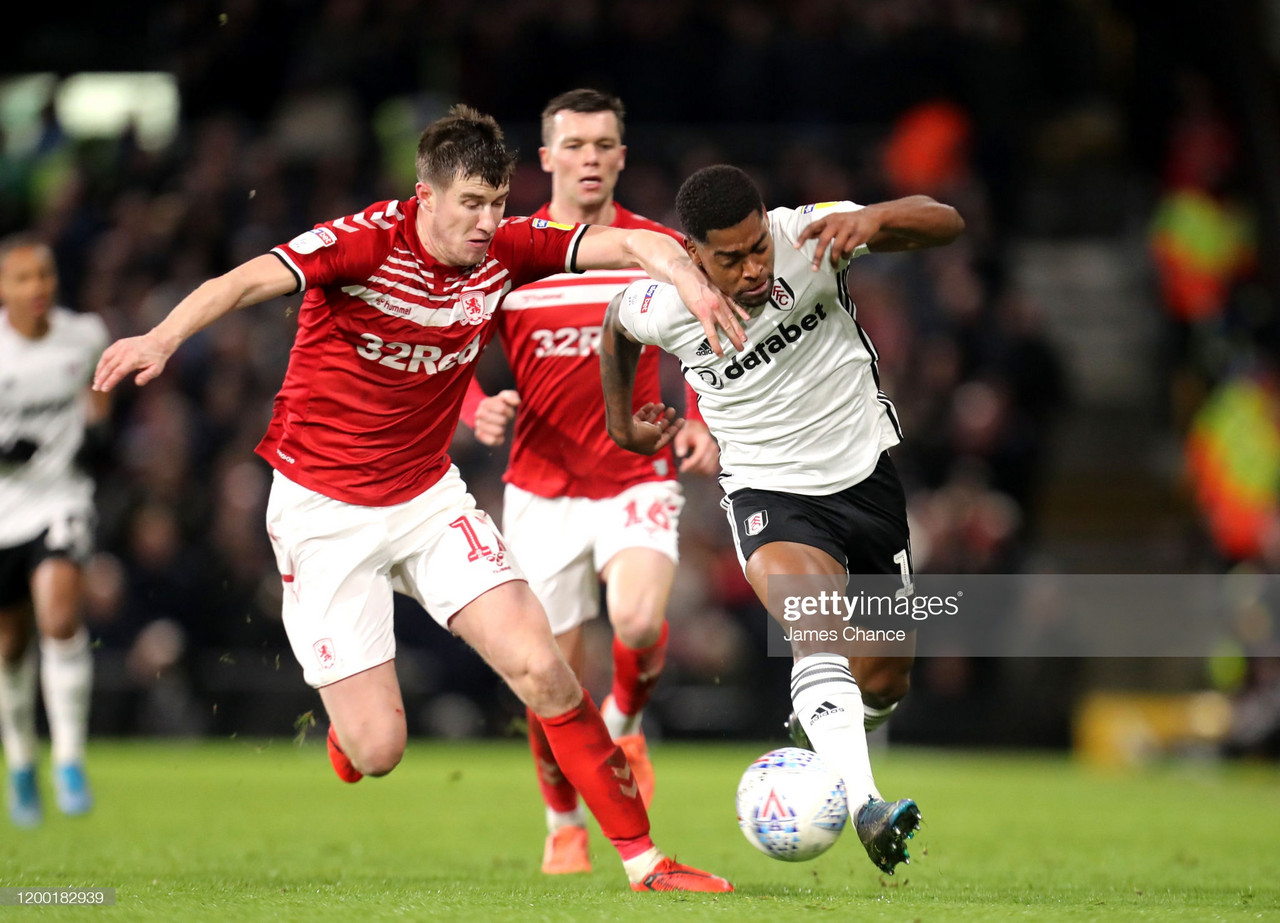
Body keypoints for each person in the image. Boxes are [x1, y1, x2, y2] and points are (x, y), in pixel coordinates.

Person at [93, 106, 742, 893]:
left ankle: (644, 859)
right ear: (424, 196)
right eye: (470, 203)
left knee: (543, 667)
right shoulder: (358, 243)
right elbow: (244, 280)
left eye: (499, 203)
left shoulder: (507, 248)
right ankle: (347, 724)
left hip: (428, 498)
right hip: (322, 511)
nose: (487, 221)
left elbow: (630, 241)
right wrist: (161, 336)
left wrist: (687, 278)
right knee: (379, 750)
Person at [600, 164, 964, 875]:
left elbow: (945, 218)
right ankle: (867, 803)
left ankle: (823, 723)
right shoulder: (668, 302)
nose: (752, 266)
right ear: (693, 253)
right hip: (771, 496)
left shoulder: (807, 233)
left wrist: (875, 219)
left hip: (867, 483)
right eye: (728, 258)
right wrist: (622, 424)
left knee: (886, 676)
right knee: (817, 625)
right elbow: (616, 324)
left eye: (755, 246)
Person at [459, 89, 720, 875]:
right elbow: (449, 339)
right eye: (574, 145)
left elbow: (700, 339)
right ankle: (561, 821)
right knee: (550, 671)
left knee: (638, 618)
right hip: (541, 488)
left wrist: (701, 417)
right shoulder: (509, 251)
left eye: (605, 144)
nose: (590, 159)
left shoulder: (655, 245)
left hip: (635, 470)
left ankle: (627, 715)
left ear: (622, 157)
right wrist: (476, 407)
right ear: (544, 159)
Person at [0, 234, 110, 827]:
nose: (36, 287)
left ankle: (69, 759)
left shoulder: (84, 334)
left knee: (59, 620)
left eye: (43, 275)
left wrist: (98, 426)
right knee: (10, 648)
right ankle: (21, 762)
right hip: (2, 511)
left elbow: (98, 385)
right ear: (2, 289)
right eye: (22, 278)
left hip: (60, 500)